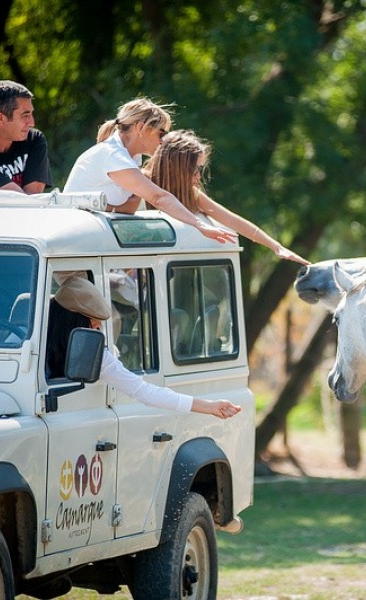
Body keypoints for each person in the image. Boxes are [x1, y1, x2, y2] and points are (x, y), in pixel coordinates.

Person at [47, 276, 241, 419]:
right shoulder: (26, 340)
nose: (98, 330)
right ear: (72, 322)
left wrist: (209, 406)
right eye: (93, 324)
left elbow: (145, 392)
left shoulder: (96, 355)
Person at [63, 98, 235, 245]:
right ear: (141, 128)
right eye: (161, 134)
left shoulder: (130, 158)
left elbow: (129, 208)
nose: (163, 142)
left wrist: (107, 207)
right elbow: (158, 197)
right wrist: (199, 225)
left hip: (86, 245)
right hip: (72, 247)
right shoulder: (114, 156)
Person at [144, 129, 309, 265]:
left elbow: (232, 220)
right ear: (177, 167)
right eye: (195, 170)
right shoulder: (139, 183)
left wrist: (276, 247)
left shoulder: (192, 195)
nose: (199, 177)